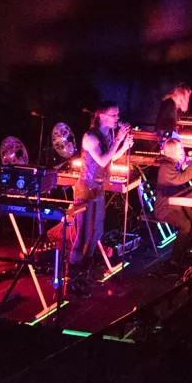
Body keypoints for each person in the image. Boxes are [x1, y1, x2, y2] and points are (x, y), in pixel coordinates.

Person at [72, 102, 132, 278]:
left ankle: (84, 270)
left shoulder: (109, 134)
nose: (117, 118)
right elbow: (102, 160)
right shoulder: (90, 137)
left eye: (118, 114)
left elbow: (111, 157)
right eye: (114, 115)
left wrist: (124, 146)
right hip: (85, 188)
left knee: (97, 232)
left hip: (99, 188)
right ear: (102, 116)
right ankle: (72, 273)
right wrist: (119, 140)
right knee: (82, 235)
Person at [152, 137, 192, 266]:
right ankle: (175, 259)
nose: (182, 150)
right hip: (165, 208)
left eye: (181, 147)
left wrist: (187, 163)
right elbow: (181, 178)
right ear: (172, 151)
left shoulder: (173, 164)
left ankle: (186, 251)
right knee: (186, 225)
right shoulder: (166, 167)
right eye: (179, 149)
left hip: (176, 204)